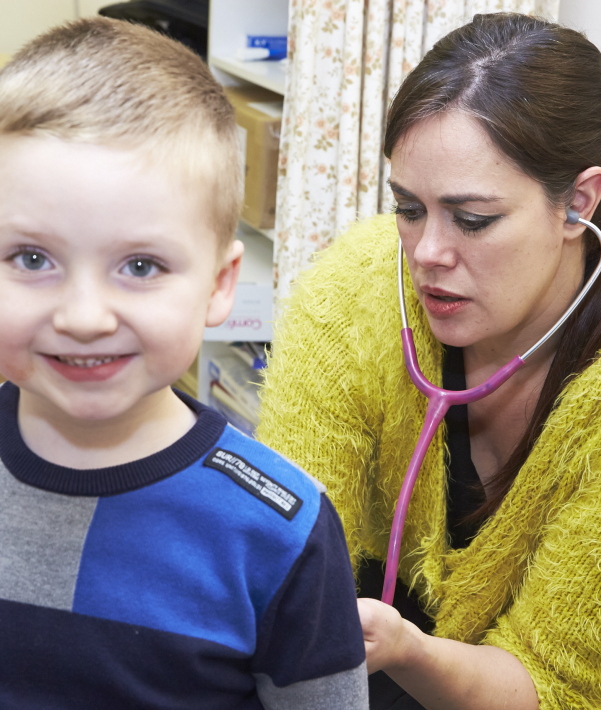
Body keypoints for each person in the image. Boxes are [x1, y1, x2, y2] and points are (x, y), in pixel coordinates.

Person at [257, 12, 601, 710]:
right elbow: (283, 549)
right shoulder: (357, 286)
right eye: (409, 207)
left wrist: (408, 648)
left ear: (578, 202)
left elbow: (556, 686)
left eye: (472, 220)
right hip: (395, 630)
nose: (426, 253)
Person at [0, 18, 368, 709]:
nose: (84, 316)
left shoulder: (278, 533)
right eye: (32, 259)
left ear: (220, 284)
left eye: (140, 266)